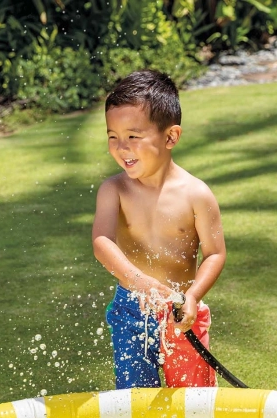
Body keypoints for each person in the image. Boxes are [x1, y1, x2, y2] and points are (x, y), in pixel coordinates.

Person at [92, 70, 226, 389]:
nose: (122, 148)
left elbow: (215, 254)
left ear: (170, 137)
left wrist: (192, 296)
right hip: (130, 308)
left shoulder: (196, 194)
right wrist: (137, 280)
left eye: (133, 137)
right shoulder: (114, 190)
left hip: (182, 311)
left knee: (194, 404)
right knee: (136, 402)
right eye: (113, 136)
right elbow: (101, 241)